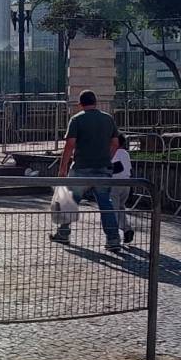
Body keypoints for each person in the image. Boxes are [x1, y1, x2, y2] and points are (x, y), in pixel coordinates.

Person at [51, 90, 122, 251]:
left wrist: (63, 168)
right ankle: (113, 239)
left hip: (81, 168)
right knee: (105, 204)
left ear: (80, 104)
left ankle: (63, 233)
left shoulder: (76, 119)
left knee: (70, 202)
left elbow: (70, 145)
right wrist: (107, 158)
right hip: (103, 168)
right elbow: (115, 143)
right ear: (95, 102)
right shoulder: (108, 119)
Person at [111, 136, 135, 245]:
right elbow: (129, 169)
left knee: (113, 210)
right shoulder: (126, 153)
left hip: (115, 184)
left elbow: (116, 168)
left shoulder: (114, 153)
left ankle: (114, 236)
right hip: (126, 183)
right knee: (121, 208)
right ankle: (127, 229)